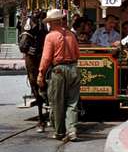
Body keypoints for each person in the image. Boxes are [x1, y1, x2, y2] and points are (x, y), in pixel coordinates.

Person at [36, 9, 81, 142]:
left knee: (57, 102)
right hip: (73, 68)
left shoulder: (50, 36)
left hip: (59, 70)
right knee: (73, 102)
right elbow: (78, 54)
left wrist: (41, 74)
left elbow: (46, 58)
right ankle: (72, 131)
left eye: (49, 22)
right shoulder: (71, 35)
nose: (48, 25)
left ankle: (59, 131)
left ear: (52, 22)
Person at [19, 10, 48, 132]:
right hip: (32, 51)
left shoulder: (43, 26)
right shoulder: (27, 21)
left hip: (44, 51)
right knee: (33, 82)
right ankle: (41, 118)